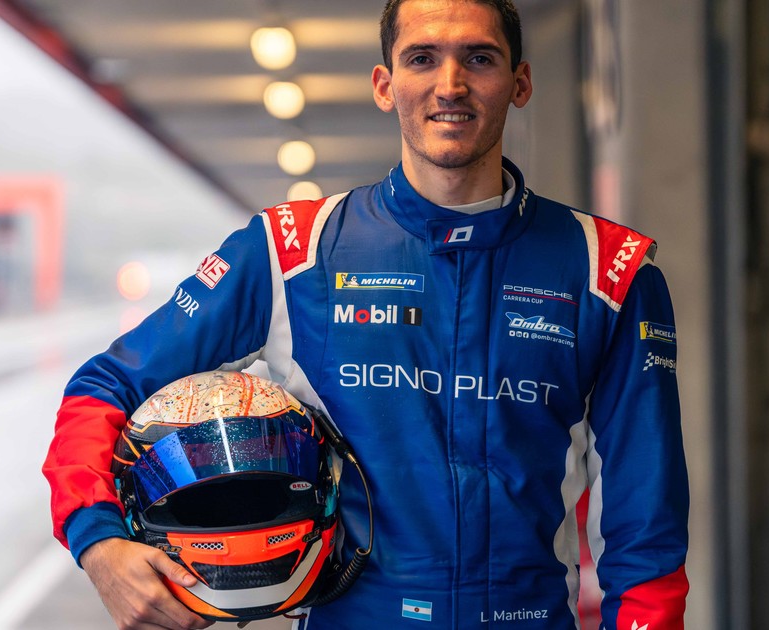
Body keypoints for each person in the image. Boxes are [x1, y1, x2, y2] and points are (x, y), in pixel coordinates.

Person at [43, 0, 690, 628]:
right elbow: (105, 385)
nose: (450, 85)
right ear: (385, 85)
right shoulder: (293, 251)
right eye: (422, 58)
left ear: (520, 82)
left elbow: (647, 526)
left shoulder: (609, 271)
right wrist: (98, 543)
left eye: (480, 58)